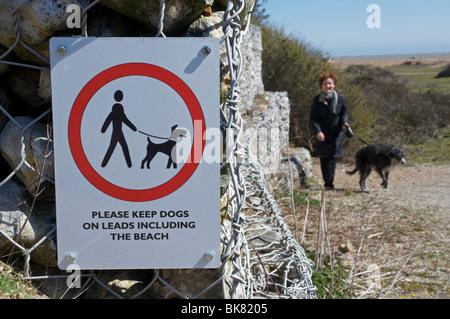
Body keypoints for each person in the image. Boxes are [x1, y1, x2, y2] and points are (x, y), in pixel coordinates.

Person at [309, 72, 350, 190]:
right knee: (324, 157)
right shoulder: (317, 100)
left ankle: (329, 183)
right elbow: (313, 118)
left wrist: (344, 122)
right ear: (321, 85)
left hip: (337, 132)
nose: (328, 86)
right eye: (325, 84)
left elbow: (344, 112)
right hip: (322, 132)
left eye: (330, 84)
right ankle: (327, 180)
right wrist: (317, 131)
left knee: (332, 157)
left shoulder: (341, 98)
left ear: (334, 85)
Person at [101, 90, 137, 168]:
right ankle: (104, 164)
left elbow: (108, 121)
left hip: (117, 132)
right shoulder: (119, 113)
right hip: (117, 132)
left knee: (115, 146)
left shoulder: (114, 112)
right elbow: (126, 121)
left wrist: (103, 130)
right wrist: (134, 128)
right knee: (120, 146)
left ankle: (104, 164)